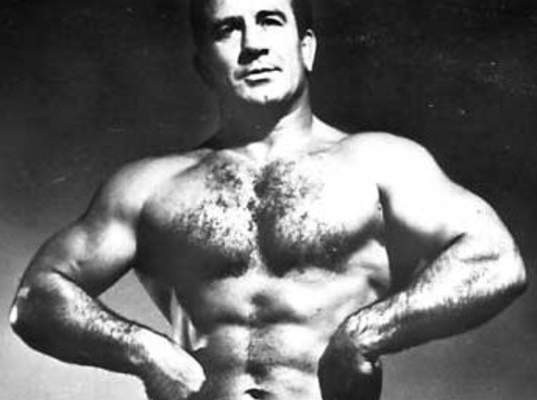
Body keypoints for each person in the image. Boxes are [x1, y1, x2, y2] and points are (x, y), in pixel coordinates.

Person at [9, 0, 527, 399]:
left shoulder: (380, 162)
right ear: (203, 64)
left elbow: (496, 259)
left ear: (307, 48)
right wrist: (145, 352)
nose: (252, 44)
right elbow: (36, 299)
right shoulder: (148, 186)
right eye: (226, 29)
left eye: (270, 21)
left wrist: (367, 334)